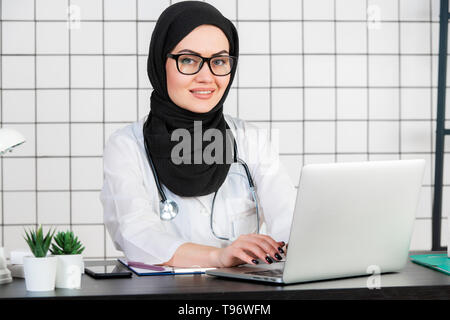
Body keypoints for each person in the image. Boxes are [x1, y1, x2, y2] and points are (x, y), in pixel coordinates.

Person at [100, 1, 296, 268]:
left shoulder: (251, 140)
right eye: (189, 60)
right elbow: (136, 236)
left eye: (218, 61)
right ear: (161, 63)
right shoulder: (127, 146)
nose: (207, 77)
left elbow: (291, 222)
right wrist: (218, 256)